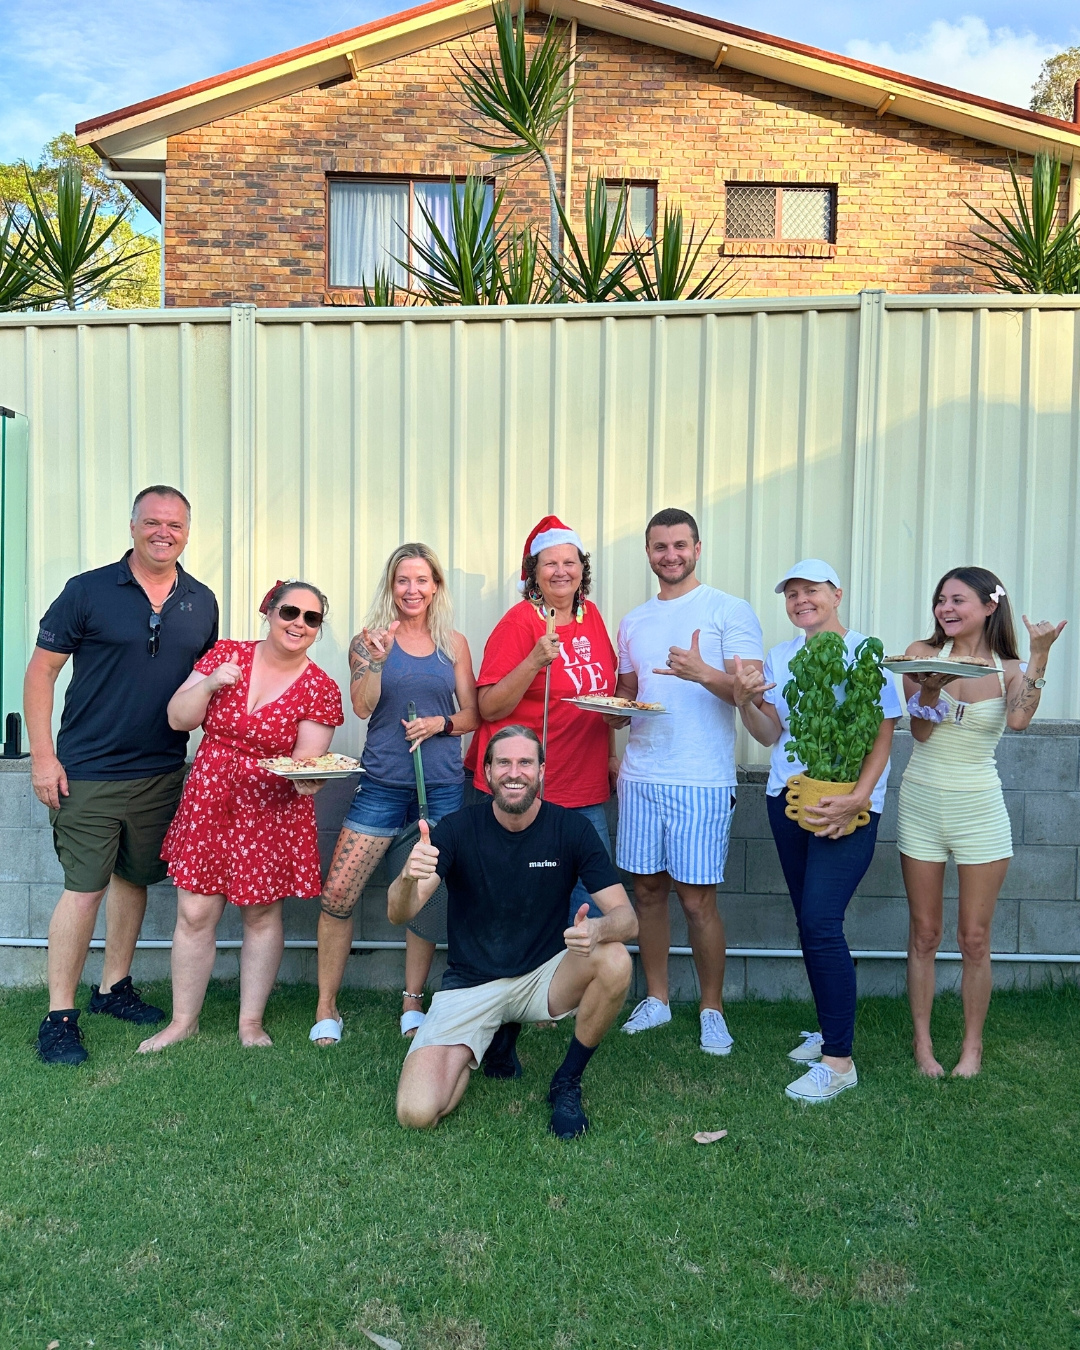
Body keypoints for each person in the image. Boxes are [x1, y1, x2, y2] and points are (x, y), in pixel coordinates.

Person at [25, 486, 218, 1066]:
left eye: (176, 524)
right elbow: (41, 675)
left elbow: (206, 688)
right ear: (132, 525)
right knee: (84, 890)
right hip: (88, 771)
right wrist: (42, 756)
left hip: (162, 770)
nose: (165, 532)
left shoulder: (201, 601)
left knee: (135, 879)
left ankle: (114, 987)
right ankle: (60, 1016)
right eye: (153, 522)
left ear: (188, 531)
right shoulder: (86, 591)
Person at [389, 726, 637, 1138]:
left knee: (614, 958)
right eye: (503, 762)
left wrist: (598, 928)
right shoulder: (456, 829)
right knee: (417, 1113)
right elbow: (401, 913)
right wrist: (407, 878)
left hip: (543, 978)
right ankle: (491, 1037)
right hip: (470, 986)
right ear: (486, 771)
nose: (514, 772)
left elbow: (627, 919)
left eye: (525, 762)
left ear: (542, 771)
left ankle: (566, 1082)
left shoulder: (571, 830)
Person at [137, 580, 344, 1053]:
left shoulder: (320, 687)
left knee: (262, 913)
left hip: (270, 807)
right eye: (291, 612)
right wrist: (210, 683)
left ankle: (250, 1022)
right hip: (210, 796)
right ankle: (182, 1021)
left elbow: (306, 761)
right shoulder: (225, 654)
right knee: (194, 912)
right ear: (268, 610)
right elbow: (177, 719)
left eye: (312, 619)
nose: (299, 624)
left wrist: (307, 779)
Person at [733, 560, 901, 1103]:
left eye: (812, 591)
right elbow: (768, 734)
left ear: (837, 594)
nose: (801, 600)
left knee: (821, 921)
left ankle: (839, 1062)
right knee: (810, 923)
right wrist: (745, 701)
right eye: (792, 594)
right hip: (789, 798)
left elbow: (882, 736)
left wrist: (858, 795)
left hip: (847, 806)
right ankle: (830, 1032)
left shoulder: (866, 655)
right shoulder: (782, 657)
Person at [898, 567, 1065, 1079]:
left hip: (980, 810)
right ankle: (923, 1045)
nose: (946, 609)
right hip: (922, 804)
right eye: (940, 600)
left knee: (974, 937)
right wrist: (928, 691)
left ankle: (972, 1048)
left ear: (990, 606)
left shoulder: (1007, 666)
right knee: (925, 933)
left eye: (958, 600)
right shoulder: (919, 655)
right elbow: (921, 735)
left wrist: (1039, 656)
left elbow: (1018, 721)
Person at [311, 543, 477, 1045]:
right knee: (338, 893)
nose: (412, 590)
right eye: (403, 580)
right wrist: (377, 663)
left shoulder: (455, 643)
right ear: (391, 585)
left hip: (442, 789)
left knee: (426, 899)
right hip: (382, 786)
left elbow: (472, 715)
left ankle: (412, 1002)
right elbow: (361, 707)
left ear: (436, 586)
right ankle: (326, 1006)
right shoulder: (369, 641)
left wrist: (440, 723)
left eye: (422, 580)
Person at [614, 507, 764, 1055]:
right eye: (660, 547)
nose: (670, 555)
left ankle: (712, 1008)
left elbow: (754, 694)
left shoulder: (729, 610)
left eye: (680, 545)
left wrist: (705, 673)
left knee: (698, 900)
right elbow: (627, 698)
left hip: (700, 777)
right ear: (649, 554)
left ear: (697, 549)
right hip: (641, 772)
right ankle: (655, 999)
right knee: (647, 892)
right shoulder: (634, 620)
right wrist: (608, 710)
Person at [466, 516, 619, 921]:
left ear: (583, 569)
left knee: (594, 898)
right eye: (550, 563)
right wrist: (534, 660)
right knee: (524, 900)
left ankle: (576, 981)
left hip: (584, 784)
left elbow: (603, 694)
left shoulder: (593, 617)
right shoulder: (520, 622)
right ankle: (518, 982)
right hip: (527, 785)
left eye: (570, 562)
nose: (561, 571)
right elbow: (489, 706)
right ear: (534, 572)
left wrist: (610, 756)